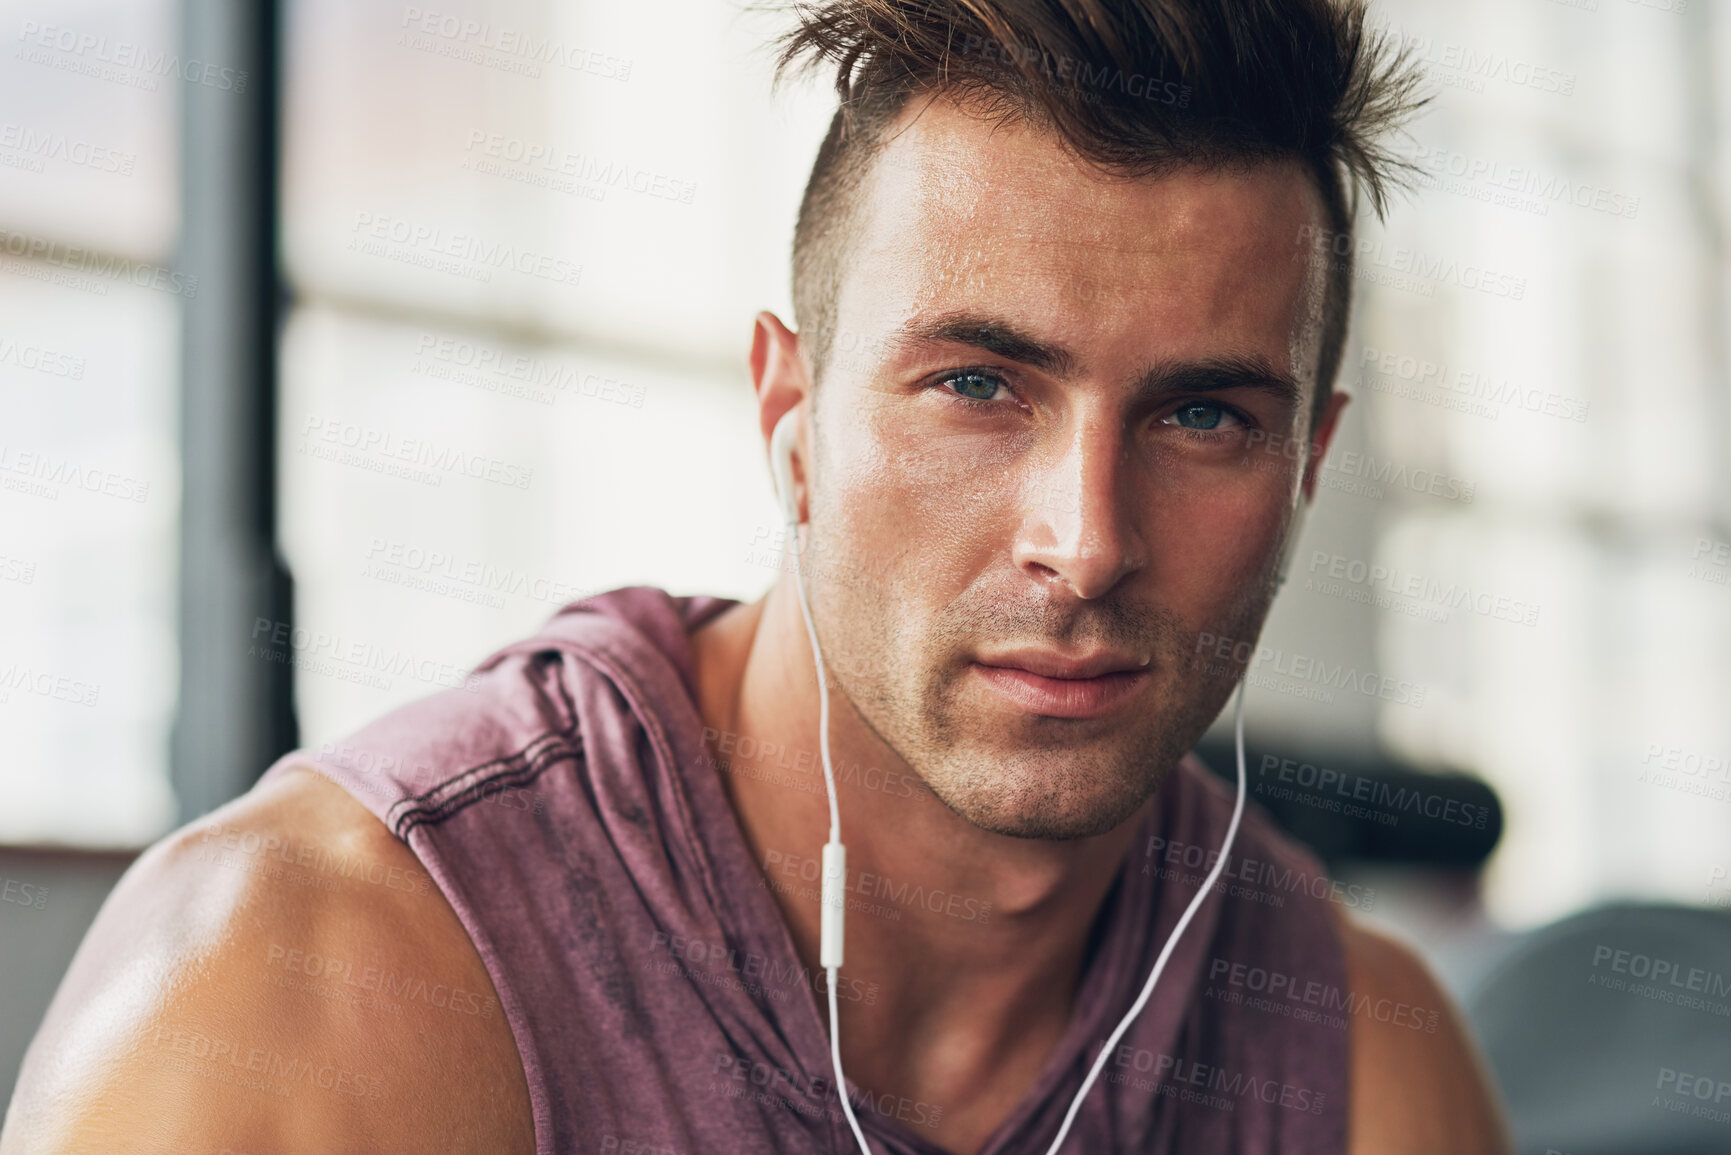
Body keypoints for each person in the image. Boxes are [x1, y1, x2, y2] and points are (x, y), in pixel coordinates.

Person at [1, 1, 1513, 1152]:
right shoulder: (307, 983)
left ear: (1307, 460)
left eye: (1203, 417)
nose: (1089, 540)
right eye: (982, 386)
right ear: (789, 419)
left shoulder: (1363, 1075)